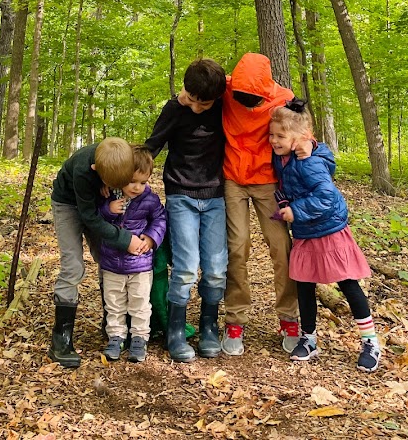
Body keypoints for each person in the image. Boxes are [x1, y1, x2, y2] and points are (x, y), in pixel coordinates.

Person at [269, 99, 382, 373]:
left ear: (302, 137)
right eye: (271, 135)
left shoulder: (309, 163)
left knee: (347, 284)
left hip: (329, 231)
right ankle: (309, 339)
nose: (273, 140)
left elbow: (327, 197)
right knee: (304, 285)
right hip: (307, 233)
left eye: (280, 136)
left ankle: (370, 342)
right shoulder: (287, 156)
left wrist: (295, 210)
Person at [221, 52, 313, 357]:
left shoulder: (283, 98)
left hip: (266, 180)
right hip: (233, 177)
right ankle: (235, 318)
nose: (247, 102)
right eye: (242, 96)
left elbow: (300, 127)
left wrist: (307, 145)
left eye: (253, 98)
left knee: (280, 247)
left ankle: (289, 316)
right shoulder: (226, 89)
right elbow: (199, 89)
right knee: (237, 246)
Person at [144, 58, 228, 362]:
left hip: (216, 196)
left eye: (203, 103)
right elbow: (152, 145)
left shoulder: (223, 104)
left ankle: (209, 325)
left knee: (217, 269)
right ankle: (176, 330)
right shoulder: (174, 108)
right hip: (181, 196)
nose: (195, 107)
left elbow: (254, 91)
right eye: (191, 99)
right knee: (186, 268)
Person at [49, 136, 143, 368]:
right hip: (68, 205)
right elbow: (89, 217)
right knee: (73, 266)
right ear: (95, 170)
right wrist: (124, 239)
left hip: (96, 204)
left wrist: (109, 188)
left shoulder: (118, 156)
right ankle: (61, 338)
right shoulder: (84, 169)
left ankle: (114, 323)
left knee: (107, 258)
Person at [98, 146, 167, 364]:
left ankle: (139, 338)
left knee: (140, 303)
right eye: (132, 181)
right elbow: (96, 220)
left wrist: (151, 238)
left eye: (143, 182)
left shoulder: (150, 199)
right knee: (114, 303)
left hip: (140, 263)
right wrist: (108, 210)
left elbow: (160, 219)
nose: (137, 187)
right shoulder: (108, 195)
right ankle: (116, 337)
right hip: (111, 263)